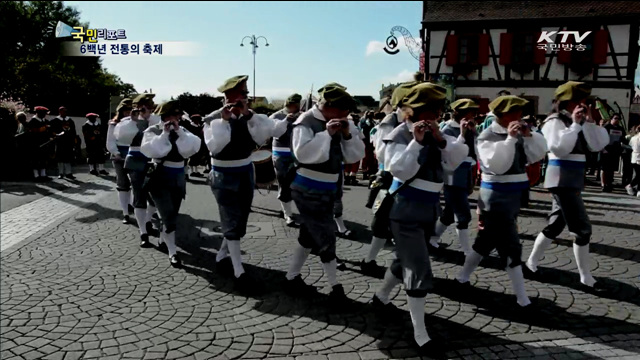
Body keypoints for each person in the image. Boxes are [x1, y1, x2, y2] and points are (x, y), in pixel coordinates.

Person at [372, 83, 467, 357]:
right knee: (418, 268)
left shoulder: (436, 132)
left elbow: (453, 162)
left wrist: (440, 139)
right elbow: (399, 169)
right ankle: (420, 334)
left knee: (407, 260)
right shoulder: (398, 134)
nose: (437, 114)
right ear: (412, 110)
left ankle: (380, 298)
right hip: (405, 209)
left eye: (438, 109)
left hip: (428, 208)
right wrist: (416, 141)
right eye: (431, 109)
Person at [456, 95, 547, 308]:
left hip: (514, 195)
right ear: (502, 115)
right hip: (495, 198)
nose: (520, 117)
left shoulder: (520, 132)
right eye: (515, 113)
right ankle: (522, 298)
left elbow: (536, 155)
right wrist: (511, 139)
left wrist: (530, 136)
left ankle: (461, 277)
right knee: (511, 245)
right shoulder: (487, 135)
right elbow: (497, 165)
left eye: (520, 112)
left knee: (485, 241)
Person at [203, 75, 288, 293]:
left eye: (246, 93)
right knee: (231, 217)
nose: (245, 96)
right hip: (223, 173)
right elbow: (215, 147)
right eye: (242, 93)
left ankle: (222, 256)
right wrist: (224, 120)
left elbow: (271, 132)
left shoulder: (250, 117)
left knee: (239, 219)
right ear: (228, 95)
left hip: (245, 171)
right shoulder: (212, 119)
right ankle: (239, 271)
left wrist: (249, 114)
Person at [283, 84, 364, 307]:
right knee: (326, 234)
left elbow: (354, 155)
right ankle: (335, 287)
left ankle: (291, 277)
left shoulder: (342, 122)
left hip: (328, 187)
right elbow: (303, 153)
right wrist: (326, 134)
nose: (347, 115)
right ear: (329, 107)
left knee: (309, 235)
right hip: (307, 187)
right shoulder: (305, 122)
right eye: (343, 110)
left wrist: (347, 135)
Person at [523, 81, 609, 292]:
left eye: (584, 101)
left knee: (555, 225)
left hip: (571, 178)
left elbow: (597, 144)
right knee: (582, 229)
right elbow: (559, 149)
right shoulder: (554, 121)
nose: (582, 105)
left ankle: (531, 264)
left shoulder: (578, 121)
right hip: (561, 179)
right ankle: (585, 277)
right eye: (578, 101)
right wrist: (575, 125)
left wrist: (587, 123)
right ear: (567, 102)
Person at [360, 81, 418, 274]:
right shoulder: (390, 122)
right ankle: (369, 260)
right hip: (389, 178)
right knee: (381, 222)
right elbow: (383, 154)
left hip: (409, 180)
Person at [141, 100, 201, 267]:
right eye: (174, 115)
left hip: (178, 177)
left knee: (172, 214)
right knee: (168, 217)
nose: (177, 118)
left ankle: (163, 239)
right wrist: (164, 134)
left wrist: (179, 132)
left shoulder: (182, 130)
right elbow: (151, 151)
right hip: (159, 177)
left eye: (178, 115)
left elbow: (193, 147)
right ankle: (173, 252)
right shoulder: (152, 131)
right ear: (165, 116)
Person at [429, 98, 478, 254]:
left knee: (449, 213)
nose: (474, 115)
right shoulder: (448, 129)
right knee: (463, 214)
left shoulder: (470, 128)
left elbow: (474, 152)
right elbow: (450, 152)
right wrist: (463, 134)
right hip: (453, 175)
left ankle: (432, 239)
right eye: (471, 112)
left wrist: (473, 133)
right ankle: (466, 250)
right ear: (461, 113)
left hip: (466, 172)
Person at [117, 93, 162, 247]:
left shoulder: (156, 119)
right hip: (135, 159)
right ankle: (143, 232)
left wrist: (149, 118)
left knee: (155, 195)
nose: (145, 109)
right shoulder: (126, 121)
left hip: (152, 160)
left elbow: (163, 136)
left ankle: (148, 219)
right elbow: (122, 139)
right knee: (138, 195)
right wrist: (134, 121)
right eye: (142, 107)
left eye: (148, 106)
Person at [269, 93, 302, 226]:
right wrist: (286, 121)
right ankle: (288, 214)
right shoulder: (276, 116)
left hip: (298, 154)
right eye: (294, 104)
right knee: (284, 183)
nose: (297, 107)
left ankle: (291, 209)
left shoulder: (302, 115)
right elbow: (274, 133)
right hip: (281, 154)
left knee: (299, 184)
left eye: (298, 104)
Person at [106, 98, 135, 224]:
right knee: (123, 184)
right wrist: (116, 153)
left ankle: (135, 206)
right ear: (121, 111)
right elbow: (110, 141)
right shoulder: (114, 124)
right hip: (120, 154)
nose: (128, 113)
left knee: (136, 182)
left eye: (130, 110)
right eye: (125, 111)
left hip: (135, 153)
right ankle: (125, 212)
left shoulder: (137, 123)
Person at [26, 106, 53, 182]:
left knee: (44, 159)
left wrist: (50, 136)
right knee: (35, 160)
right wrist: (43, 128)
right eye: (43, 113)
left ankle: (43, 175)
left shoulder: (46, 121)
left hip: (45, 143)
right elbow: (32, 132)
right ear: (38, 113)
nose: (44, 115)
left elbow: (49, 132)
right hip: (35, 144)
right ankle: (36, 175)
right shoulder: (32, 122)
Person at [601, 114, 626, 192]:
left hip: (615, 151)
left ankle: (609, 183)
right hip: (606, 150)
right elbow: (601, 139)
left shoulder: (621, 129)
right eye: (615, 118)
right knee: (604, 168)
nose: (617, 120)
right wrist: (603, 149)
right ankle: (603, 184)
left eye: (618, 119)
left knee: (611, 169)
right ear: (611, 119)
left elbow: (623, 139)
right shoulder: (606, 127)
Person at [50, 106, 77, 179]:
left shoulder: (70, 121)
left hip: (68, 142)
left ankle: (69, 173)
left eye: (65, 111)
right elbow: (51, 131)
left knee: (68, 158)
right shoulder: (55, 121)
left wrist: (74, 140)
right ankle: (61, 173)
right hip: (60, 142)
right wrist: (56, 135)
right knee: (60, 158)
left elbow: (73, 131)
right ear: (59, 112)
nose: (64, 113)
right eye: (63, 111)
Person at [359, 111, 378, 180]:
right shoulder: (364, 122)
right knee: (366, 157)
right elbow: (362, 129)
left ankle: (369, 171)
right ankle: (365, 172)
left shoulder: (374, 122)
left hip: (371, 141)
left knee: (370, 157)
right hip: (366, 141)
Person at [627, 125, 640, 197]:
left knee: (638, 174)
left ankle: (638, 189)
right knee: (638, 175)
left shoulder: (633, 138)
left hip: (634, 158)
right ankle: (630, 186)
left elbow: (631, 146)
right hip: (638, 158)